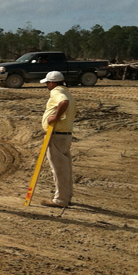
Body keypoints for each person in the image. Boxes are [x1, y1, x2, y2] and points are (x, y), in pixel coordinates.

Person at [40, 70, 77, 208]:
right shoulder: (68, 92)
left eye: (47, 83)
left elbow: (63, 102)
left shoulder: (58, 92)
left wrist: (54, 117)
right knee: (65, 167)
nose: (47, 86)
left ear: (52, 83)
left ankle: (61, 199)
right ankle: (67, 196)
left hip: (57, 135)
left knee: (59, 168)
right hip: (65, 134)